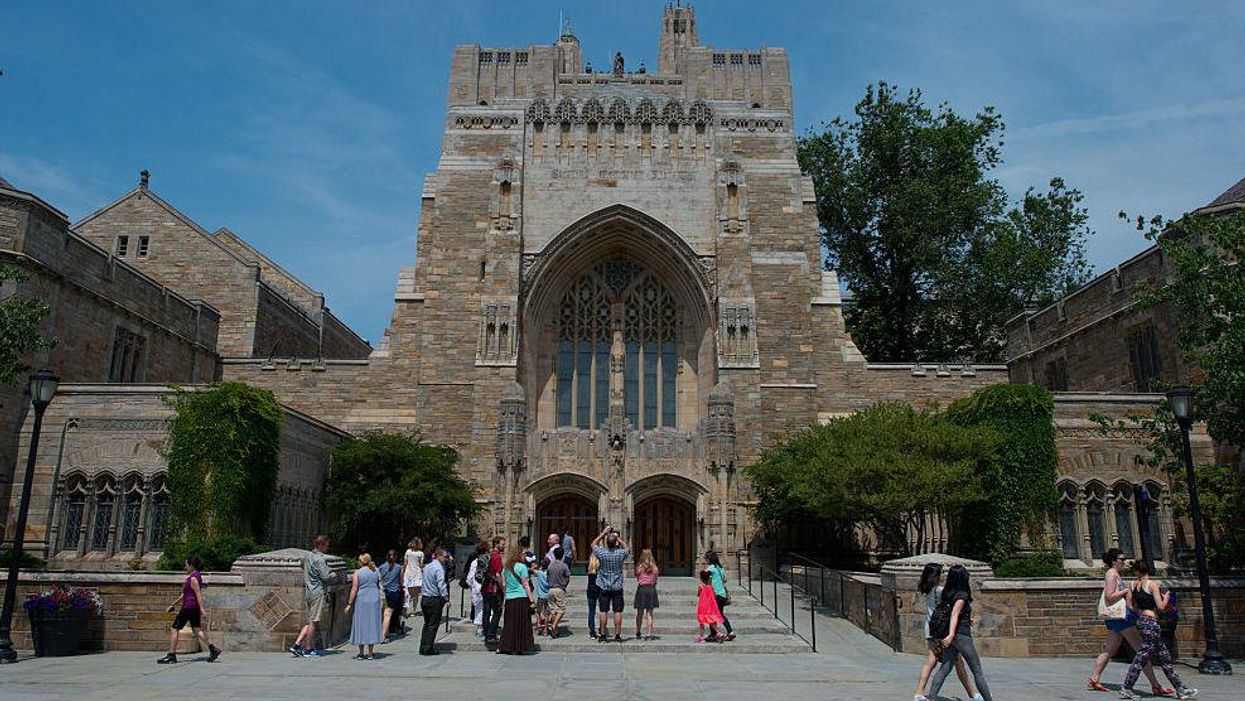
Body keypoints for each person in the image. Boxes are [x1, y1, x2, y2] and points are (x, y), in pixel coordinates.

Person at [1088, 549, 1167, 695]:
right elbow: (1109, 596)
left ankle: (1094, 678)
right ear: (1114, 561)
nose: (1124, 562)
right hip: (1122, 619)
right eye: (1121, 559)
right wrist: (1125, 591)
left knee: (1109, 650)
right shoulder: (1111, 574)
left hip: (1115, 619)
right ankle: (1155, 685)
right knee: (1141, 651)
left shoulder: (1115, 574)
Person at [1118, 561, 1198, 699]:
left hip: (1142, 621)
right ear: (1148, 570)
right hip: (1151, 623)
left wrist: (1140, 611)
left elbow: (1130, 605)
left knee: (1164, 656)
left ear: (1136, 571)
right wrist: (1166, 598)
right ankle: (1127, 687)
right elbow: (1161, 607)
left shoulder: (1132, 585)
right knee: (1142, 656)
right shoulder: (1152, 585)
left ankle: (1180, 688)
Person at [912, 563, 981, 701]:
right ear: (936, 576)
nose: (944, 575)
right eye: (942, 573)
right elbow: (955, 606)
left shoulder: (927, 589)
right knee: (956, 662)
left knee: (934, 661)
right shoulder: (940, 591)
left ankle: (919, 693)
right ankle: (974, 695)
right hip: (942, 630)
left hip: (930, 628)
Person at [925, 565, 993, 701]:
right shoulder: (961, 595)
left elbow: (955, 614)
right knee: (977, 672)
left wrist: (966, 620)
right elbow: (954, 615)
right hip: (961, 636)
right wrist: (951, 635)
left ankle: (932, 697)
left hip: (952, 637)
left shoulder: (947, 593)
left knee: (945, 668)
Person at [157, 555, 221, 664]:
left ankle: (171, 655)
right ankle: (213, 649)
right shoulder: (194, 577)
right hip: (192, 608)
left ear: (191, 566)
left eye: (186, 565)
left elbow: (198, 595)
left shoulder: (193, 578)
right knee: (197, 630)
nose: (185, 567)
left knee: (174, 628)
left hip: (188, 607)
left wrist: (202, 610)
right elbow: (184, 595)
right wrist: (173, 604)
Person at [290, 534, 337, 658]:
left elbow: (303, 566)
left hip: (309, 591)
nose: (328, 548)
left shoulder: (306, 557)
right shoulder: (319, 559)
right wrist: (333, 574)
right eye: (326, 546)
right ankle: (308, 648)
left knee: (310, 620)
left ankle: (297, 644)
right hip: (318, 592)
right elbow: (326, 577)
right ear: (321, 545)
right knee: (314, 622)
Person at [591, 525, 629, 642]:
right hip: (617, 586)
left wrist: (603, 533)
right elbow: (627, 548)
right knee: (618, 611)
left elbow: (593, 545)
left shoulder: (602, 553)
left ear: (607, 543)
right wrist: (618, 538)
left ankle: (602, 634)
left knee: (603, 611)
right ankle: (617, 635)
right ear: (615, 543)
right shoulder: (620, 554)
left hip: (604, 585)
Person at [498, 544, 536, 654]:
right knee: (521, 623)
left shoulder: (506, 567)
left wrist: (505, 597)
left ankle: (508, 646)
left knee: (510, 624)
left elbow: (504, 584)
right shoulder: (522, 567)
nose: (525, 556)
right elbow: (526, 584)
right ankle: (520, 646)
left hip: (510, 598)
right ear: (518, 555)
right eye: (524, 554)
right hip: (521, 597)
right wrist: (531, 600)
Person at [345, 553, 384, 660]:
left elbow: (354, 588)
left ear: (361, 562)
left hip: (362, 599)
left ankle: (361, 652)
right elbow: (380, 583)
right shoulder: (376, 571)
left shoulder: (357, 572)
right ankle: (371, 653)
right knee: (372, 623)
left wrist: (349, 604)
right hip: (374, 598)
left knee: (361, 624)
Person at [419, 548, 451, 655]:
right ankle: (428, 648)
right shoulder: (439, 568)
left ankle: (423, 646)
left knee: (427, 623)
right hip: (434, 599)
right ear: (439, 556)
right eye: (445, 557)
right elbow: (441, 584)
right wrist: (446, 598)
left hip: (425, 598)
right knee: (433, 624)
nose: (446, 559)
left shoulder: (427, 567)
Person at [704, 551, 736, 641]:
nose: (705, 560)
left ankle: (715, 634)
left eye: (706, 558)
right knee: (720, 615)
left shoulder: (710, 568)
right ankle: (730, 632)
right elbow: (724, 580)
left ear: (709, 559)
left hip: (715, 595)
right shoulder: (720, 568)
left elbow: (706, 581)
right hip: (722, 594)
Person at [482, 535, 506, 644]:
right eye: (502, 544)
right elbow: (498, 574)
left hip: (485, 587)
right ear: (496, 544)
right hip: (494, 589)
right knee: (497, 611)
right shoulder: (496, 557)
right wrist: (503, 588)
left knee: (486, 611)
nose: (504, 546)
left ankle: (487, 633)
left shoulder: (489, 554)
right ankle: (491, 634)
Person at [378, 549, 405, 640]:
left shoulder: (381, 567)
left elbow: (379, 579)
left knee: (383, 613)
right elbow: (401, 581)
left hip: (383, 592)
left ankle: (384, 630)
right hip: (394, 592)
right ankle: (384, 634)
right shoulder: (399, 567)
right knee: (389, 614)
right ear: (395, 557)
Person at [634, 548, 660, 640]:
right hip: (651, 589)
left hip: (641, 589)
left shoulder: (640, 567)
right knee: (650, 614)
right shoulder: (655, 568)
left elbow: (637, 577)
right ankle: (649, 633)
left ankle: (638, 632)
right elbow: (656, 578)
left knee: (639, 613)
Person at [546, 546, 570, 639]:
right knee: (561, 609)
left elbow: (547, 575)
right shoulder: (564, 565)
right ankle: (554, 625)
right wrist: (564, 585)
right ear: (562, 555)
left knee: (553, 610)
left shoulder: (550, 565)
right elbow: (567, 577)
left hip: (550, 589)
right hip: (559, 589)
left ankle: (555, 631)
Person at [695, 568, 725, 643]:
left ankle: (701, 638)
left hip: (702, 606)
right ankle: (719, 633)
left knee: (701, 622)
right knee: (712, 622)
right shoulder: (711, 587)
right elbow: (714, 595)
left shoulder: (701, 586)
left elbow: (698, 594)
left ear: (701, 579)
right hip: (710, 606)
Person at [467, 540, 488, 637]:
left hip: (477, 588)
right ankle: (488, 627)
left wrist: (472, 587)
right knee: (489, 608)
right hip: (487, 588)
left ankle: (480, 629)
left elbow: (470, 577)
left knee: (479, 609)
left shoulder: (474, 562)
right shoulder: (489, 559)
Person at [403, 537, 424, 618]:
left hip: (417, 573)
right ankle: (406, 608)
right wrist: (404, 572)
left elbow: (421, 565)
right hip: (409, 573)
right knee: (407, 592)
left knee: (416, 593)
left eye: (414, 543)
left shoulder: (421, 553)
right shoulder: (408, 551)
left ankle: (414, 610)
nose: (413, 544)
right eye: (412, 543)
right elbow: (405, 563)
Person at [533, 557, 551, 635]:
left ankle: (539, 624)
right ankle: (545, 630)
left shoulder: (539, 573)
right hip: (547, 595)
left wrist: (535, 567)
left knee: (538, 610)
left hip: (540, 595)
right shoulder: (549, 574)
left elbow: (532, 570)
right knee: (547, 613)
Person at [586, 553, 601, 638]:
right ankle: (602, 629)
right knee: (602, 610)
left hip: (590, 589)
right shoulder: (600, 568)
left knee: (591, 611)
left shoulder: (589, 568)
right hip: (600, 588)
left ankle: (592, 631)